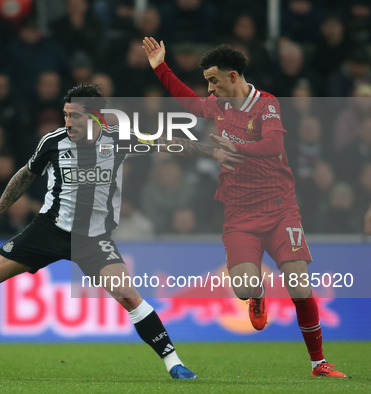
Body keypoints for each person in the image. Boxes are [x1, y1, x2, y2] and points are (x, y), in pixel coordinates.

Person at [0, 84, 243, 380]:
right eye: (65, 115)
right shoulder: (53, 141)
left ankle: (173, 363)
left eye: (75, 116)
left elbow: (167, 143)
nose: (68, 123)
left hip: (94, 239)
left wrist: (213, 152)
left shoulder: (119, 141)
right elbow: (26, 173)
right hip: (48, 230)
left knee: (129, 296)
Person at [142, 37, 346, 378]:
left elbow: (272, 144)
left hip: (280, 207)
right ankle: (258, 294)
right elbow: (190, 103)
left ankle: (318, 363)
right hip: (239, 213)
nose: (210, 88)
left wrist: (235, 146)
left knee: (299, 285)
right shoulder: (218, 106)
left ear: (233, 77)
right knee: (243, 287)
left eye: (214, 80)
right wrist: (160, 67)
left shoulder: (266, 104)